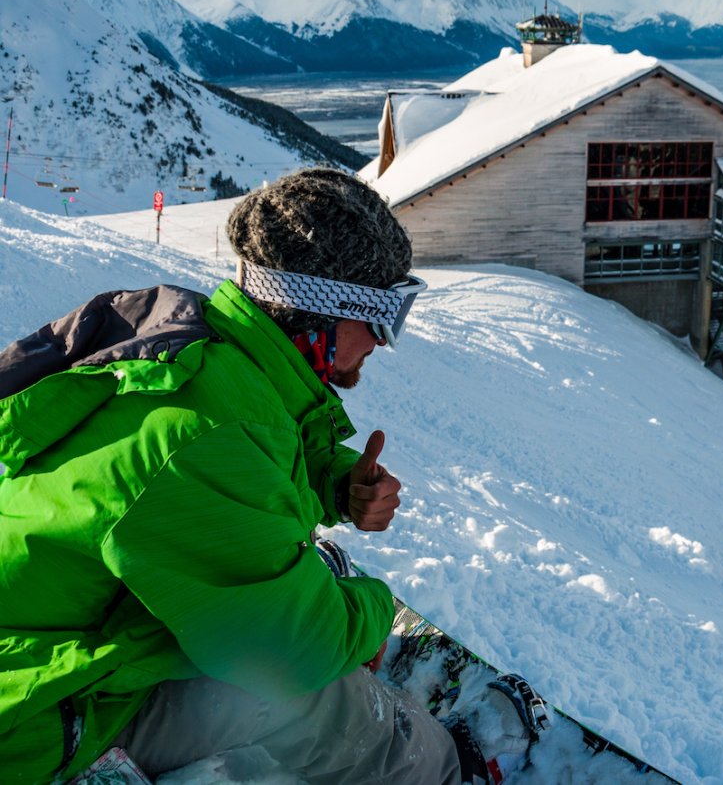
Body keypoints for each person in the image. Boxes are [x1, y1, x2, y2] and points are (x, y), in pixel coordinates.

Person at [0, 169, 538, 783]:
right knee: (315, 701)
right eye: (385, 313)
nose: (384, 343)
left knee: (303, 580)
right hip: (41, 715)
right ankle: (444, 769)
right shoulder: (207, 438)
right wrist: (370, 614)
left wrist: (335, 484)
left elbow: (242, 454)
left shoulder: (200, 349)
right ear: (326, 313)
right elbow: (290, 653)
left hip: (46, 646)